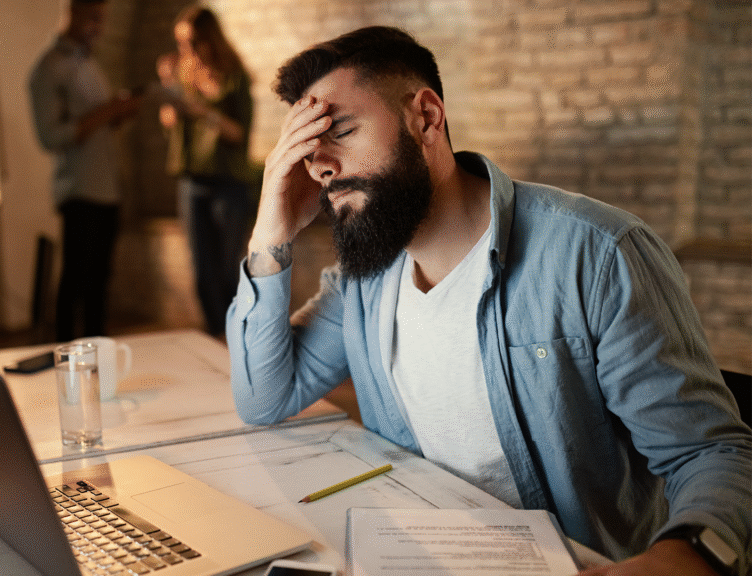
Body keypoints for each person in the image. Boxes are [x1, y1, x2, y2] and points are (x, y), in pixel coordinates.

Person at [227, 26, 751, 576]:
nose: (321, 166)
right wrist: (270, 231)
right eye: (307, 149)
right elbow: (264, 397)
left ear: (425, 117)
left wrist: (684, 559)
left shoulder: (597, 255)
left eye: (340, 131)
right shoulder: (364, 282)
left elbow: (711, 454)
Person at [29, 0, 141, 341]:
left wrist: (118, 115)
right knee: (76, 280)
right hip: (79, 191)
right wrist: (107, 112)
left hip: (107, 187)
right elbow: (51, 137)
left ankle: (99, 358)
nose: (99, 27)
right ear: (72, 12)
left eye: (102, 20)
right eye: (93, 18)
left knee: (100, 283)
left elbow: (98, 124)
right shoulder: (47, 69)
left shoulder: (88, 63)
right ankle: (67, 358)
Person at [157, 5, 254, 336]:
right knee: (202, 272)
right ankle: (215, 340)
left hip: (229, 183)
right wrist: (169, 94)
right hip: (192, 182)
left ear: (211, 39)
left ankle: (238, 340)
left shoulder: (234, 78)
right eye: (182, 43)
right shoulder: (184, 77)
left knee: (228, 271)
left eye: (194, 42)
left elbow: (240, 133)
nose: (188, 50)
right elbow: (170, 125)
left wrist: (200, 111)